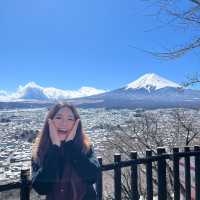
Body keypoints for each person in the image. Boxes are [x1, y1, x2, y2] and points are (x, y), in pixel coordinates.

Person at [31, 102, 100, 200]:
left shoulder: (85, 147)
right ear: (50, 122)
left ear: (76, 124)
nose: (64, 123)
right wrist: (55, 148)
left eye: (70, 119)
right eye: (58, 118)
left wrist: (70, 146)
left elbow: (92, 177)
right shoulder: (40, 151)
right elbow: (42, 188)